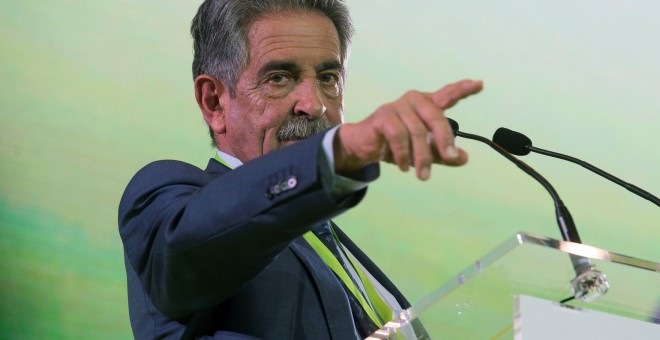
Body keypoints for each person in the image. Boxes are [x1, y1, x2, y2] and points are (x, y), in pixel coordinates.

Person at [118, 0, 483, 338]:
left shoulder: (330, 241)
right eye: (279, 77)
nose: (315, 105)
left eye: (328, 78)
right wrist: (338, 152)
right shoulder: (167, 200)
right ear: (214, 102)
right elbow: (189, 245)